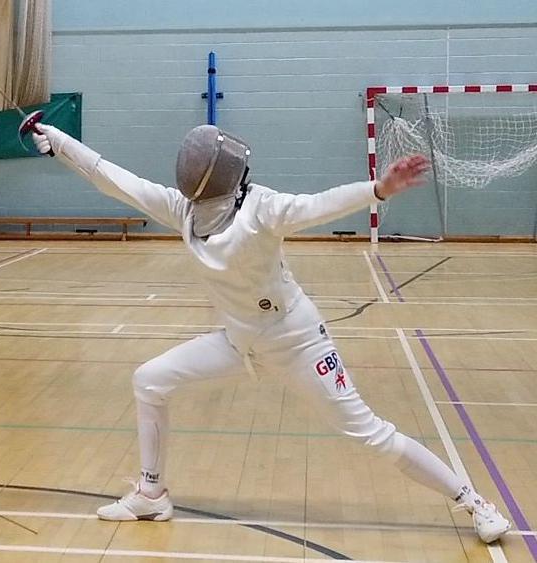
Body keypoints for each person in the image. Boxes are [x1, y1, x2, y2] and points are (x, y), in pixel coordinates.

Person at [30, 123, 511, 543]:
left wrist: (377, 190)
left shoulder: (260, 209)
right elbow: (113, 178)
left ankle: (474, 502)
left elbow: (318, 206)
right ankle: (151, 494)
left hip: (299, 343)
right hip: (239, 341)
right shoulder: (185, 212)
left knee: (370, 433)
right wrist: (58, 142)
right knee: (149, 379)